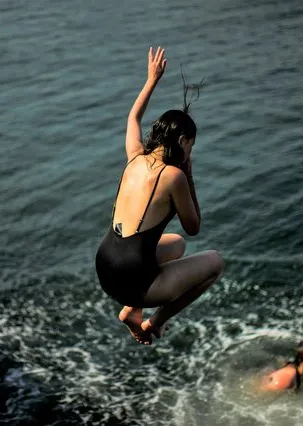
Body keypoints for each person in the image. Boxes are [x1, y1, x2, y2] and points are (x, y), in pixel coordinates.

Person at [95, 46, 224, 345]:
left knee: (175, 245)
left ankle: (131, 312)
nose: (190, 152)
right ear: (181, 141)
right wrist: (189, 174)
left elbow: (132, 118)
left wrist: (151, 80)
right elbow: (194, 228)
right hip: (132, 281)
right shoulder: (174, 176)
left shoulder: (134, 155)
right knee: (215, 263)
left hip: (105, 265)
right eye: (190, 146)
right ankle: (154, 322)